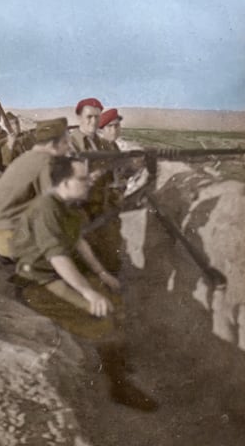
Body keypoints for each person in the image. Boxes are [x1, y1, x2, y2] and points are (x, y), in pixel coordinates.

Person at [11, 156, 158, 411]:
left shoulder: (69, 206)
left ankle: (116, 358)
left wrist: (101, 274)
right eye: (82, 178)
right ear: (64, 183)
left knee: (114, 298)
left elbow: (79, 241)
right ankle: (119, 387)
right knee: (100, 314)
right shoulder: (46, 209)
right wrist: (89, 293)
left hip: (56, 276)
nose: (89, 182)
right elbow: (57, 259)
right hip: (38, 283)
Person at [0, 117, 70, 259]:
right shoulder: (44, 161)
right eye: (65, 142)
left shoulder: (29, 157)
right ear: (52, 144)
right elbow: (51, 202)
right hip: (9, 235)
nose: (68, 147)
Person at [70, 98, 123, 273]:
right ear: (78, 117)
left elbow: (117, 170)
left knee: (112, 260)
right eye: (89, 117)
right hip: (79, 212)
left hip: (104, 209)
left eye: (97, 117)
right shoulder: (70, 144)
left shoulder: (104, 145)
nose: (93, 122)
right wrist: (89, 178)